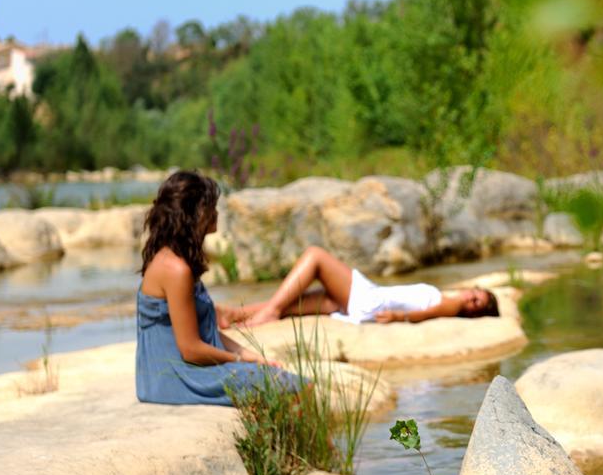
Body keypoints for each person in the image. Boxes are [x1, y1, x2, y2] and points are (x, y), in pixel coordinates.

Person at [136, 170, 301, 406]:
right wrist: (237, 361)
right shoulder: (175, 269)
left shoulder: (176, 258)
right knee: (295, 387)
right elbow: (191, 350)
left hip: (178, 373)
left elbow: (204, 332)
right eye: (210, 206)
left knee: (286, 381)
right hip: (174, 379)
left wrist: (251, 357)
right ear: (195, 214)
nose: (216, 212)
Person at [217, 245, 500, 328]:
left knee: (315, 256)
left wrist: (399, 317)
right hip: (370, 297)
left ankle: (270, 311)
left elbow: (430, 313)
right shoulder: (449, 301)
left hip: (370, 300)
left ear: (474, 313)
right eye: (475, 293)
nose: (470, 297)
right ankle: (234, 315)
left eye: (477, 303)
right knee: (300, 305)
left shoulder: (453, 306)